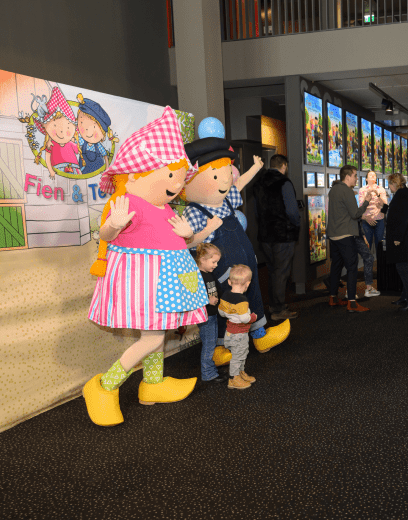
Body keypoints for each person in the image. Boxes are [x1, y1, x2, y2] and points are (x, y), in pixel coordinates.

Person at [84, 107, 207, 427]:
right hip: (142, 282)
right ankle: (103, 386)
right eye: (170, 176)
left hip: (164, 282)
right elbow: (106, 235)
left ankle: (153, 384)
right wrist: (113, 225)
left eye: (178, 179)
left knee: (156, 333)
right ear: (138, 172)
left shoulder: (164, 208)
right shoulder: (127, 202)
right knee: (152, 337)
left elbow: (182, 241)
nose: (175, 185)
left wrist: (188, 234)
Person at [183, 138, 289, 355]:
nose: (224, 181)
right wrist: (207, 230)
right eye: (215, 175)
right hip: (221, 271)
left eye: (225, 173)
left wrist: (255, 168)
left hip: (245, 264)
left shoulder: (226, 201)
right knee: (227, 306)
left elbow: (238, 185)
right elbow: (185, 242)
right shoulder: (194, 212)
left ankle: (260, 336)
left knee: (253, 296)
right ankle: (222, 347)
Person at [252, 154, 301, 321]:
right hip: (283, 234)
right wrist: (296, 225)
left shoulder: (258, 183)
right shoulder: (284, 183)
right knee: (282, 272)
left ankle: (274, 304)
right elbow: (292, 211)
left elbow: (257, 211)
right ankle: (278, 309)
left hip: (265, 235)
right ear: (284, 166)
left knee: (273, 270)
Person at [327, 165, 373, 312]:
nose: (356, 178)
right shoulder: (346, 191)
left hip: (333, 235)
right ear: (347, 176)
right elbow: (355, 214)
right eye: (354, 175)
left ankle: (333, 297)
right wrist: (366, 201)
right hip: (345, 235)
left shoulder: (334, 189)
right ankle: (352, 303)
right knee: (352, 267)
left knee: (336, 266)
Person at [218, 264, 258, 390]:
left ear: (229, 282)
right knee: (237, 356)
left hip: (229, 333)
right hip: (239, 334)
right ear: (247, 284)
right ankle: (233, 379)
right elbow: (245, 319)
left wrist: (231, 313)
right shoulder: (242, 300)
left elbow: (221, 312)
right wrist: (253, 317)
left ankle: (240, 373)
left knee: (241, 353)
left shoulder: (225, 295)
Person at [195, 243, 226, 383]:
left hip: (212, 315)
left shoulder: (209, 274)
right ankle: (208, 374)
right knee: (208, 344)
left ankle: (210, 370)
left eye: (217, 262)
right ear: (202, 259)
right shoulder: (197, 275)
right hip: (205, 316)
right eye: (213, 262)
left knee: (211, 343)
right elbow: (192, 295)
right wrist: (207, 300)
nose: (216, 265)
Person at [385, 173, 408, 311]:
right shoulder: (403, 194)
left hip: (401, 238)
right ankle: (405, 296)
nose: (389, 187)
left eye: (389, 184)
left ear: (394, 183)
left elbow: (403, 218)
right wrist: (383, 207)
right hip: (402, 237)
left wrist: (397, 237)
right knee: (402, 268)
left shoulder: (403, 195)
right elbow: (395, 212)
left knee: (403, 269)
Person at [358, 170, 388, 297]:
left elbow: (385, 205)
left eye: (374, 175)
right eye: (370, 175)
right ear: (366, 179)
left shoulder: (381, 189)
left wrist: (378, 195)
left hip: (379, 221)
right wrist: (367, 218)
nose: (372, 176)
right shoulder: (362, 190)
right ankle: (368, 285)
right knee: (367, 253)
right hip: (366, 222)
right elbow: (360, 207)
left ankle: (383, 282)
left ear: (376, 179)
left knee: (381, 250)